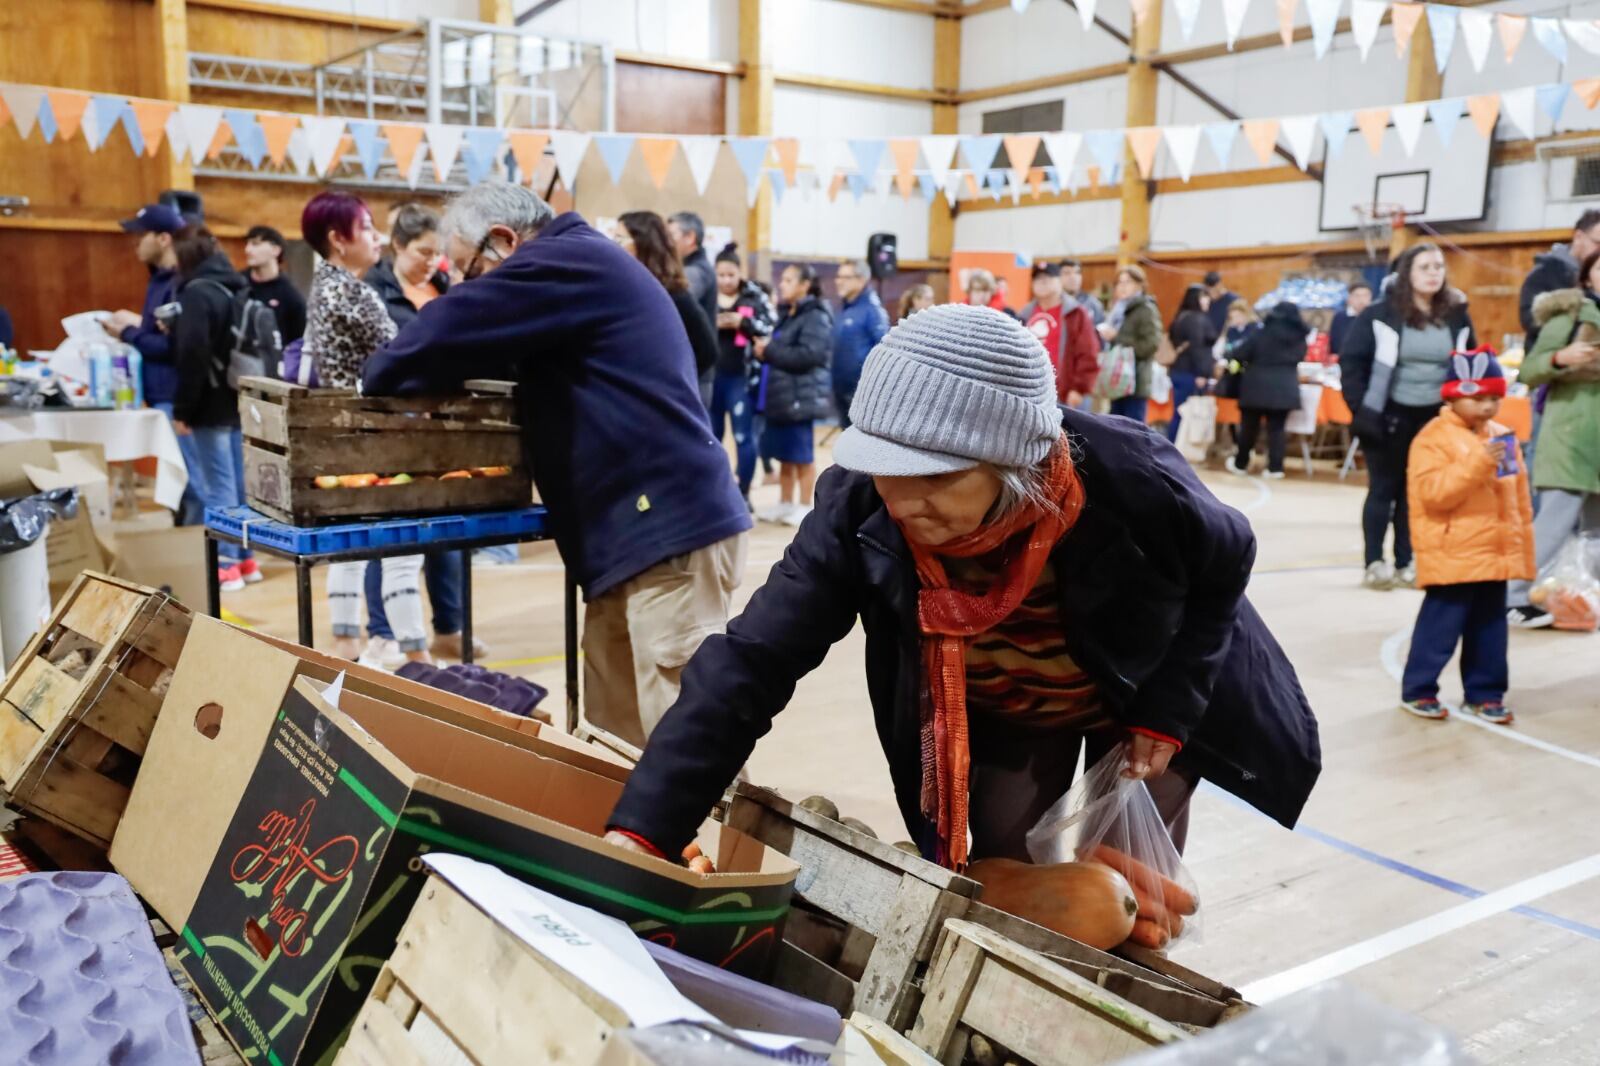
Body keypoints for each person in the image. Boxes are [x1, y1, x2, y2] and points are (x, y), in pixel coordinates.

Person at [600, 303, 1321, 869]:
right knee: (1007, 870)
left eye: (938, 477)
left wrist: (1170, 710)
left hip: (1140, 681)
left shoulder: (1134, 479)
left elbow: (1228, 557)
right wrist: (647, 829)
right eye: (888, 468)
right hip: (1012, 699)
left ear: (1018, 463)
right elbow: (753, 662)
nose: (904, 501)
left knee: (1130, 885)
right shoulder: (860, 504)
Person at [363, 182, 751, 750]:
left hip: (668, 532)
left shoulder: (560, 260)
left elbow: (447, 331)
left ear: (502, 241)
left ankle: (707, 843)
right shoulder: (573, 265)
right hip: (633, 539)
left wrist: (378, 372)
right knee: (615, 737)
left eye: (472, 272)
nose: (469, 287)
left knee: (683, 737)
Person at [299, 191, 428, 667]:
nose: (376, 237)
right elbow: (403, 352)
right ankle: (419, 661)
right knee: (401, 551)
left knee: (352, 548)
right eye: (367, 227)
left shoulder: (325, 286)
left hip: (343, 436)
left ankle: (349, 648)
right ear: (338, 238)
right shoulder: (349, 290)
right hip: (375, 436)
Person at [362, 203, 478, 664]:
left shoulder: (444, 287)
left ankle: (449, 627)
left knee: (445, 534)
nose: (431, 262)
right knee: (391, 534)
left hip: (443, 427)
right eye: (422, 252)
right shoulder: (373, 291)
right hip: (392, 425)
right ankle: (382, 631)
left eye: (437, 253)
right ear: (397, 247)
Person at [1400, 350, 1532, 724]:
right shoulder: (1432, 438)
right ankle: (1419, 689)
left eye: (1495, 398)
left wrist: (1520, 545)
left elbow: (1516, 495)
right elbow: (1433, 494)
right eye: (1480, 398)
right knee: (1439, 628)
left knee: (1491, 630)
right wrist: (1478, 462)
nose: (1489, 406)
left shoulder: (1503, 437)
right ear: (1453, 396)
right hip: (1452, 550)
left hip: (1495, 552)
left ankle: (1485, 693)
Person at [1341, 243, 1476, 591]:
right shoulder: (1378, 314)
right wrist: (1360, 409)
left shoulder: (1456, 314)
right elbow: (1352, 364)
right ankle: (1374, 562)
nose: (1434, 273)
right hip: (1387, 417)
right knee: (1383, 489)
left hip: (1435, 418)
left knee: (1415, 492)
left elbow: (1469, 361)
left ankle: (1406, 561)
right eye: (1425, 267)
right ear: (1407, 275)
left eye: (1438, 267)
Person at [1505, 260, 1600, 628]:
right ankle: (1512, 596)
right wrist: (1561, 357)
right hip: (1569, 437)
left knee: (1596, 535)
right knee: (1553, 524)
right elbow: (1529, 370)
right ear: (1587, 273)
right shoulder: (1572, 315)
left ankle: (1584, 598)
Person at [168, 224, 258, 591]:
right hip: (239, 398)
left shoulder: (197, 294)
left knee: (216, 487)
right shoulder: (236, 288)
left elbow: (193, 353)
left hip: (209, 403)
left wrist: (183, 408)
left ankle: (226, 565)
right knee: (237, 485)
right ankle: (247, 560)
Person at [104, 204, 205, 528]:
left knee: (192, 484)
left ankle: (206, 561)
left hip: (177, 397)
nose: (135, 243)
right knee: (181, 485)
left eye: (140, 235)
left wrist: (128, 332)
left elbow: (175, 348)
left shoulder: (181, 283)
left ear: (163, 239)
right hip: (160, 393)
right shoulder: (158, 279)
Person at [755, 263, 833, 527]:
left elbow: (810, 355)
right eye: (783, 280)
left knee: (802, 455)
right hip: (782, 395)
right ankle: (785, 502)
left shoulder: (815, 315)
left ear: (804, 285)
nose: (782, 284)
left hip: (801, 395)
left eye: (789, 280)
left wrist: (770, 351)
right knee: (785, 454)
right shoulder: (788, 313)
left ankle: (803, 505)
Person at [616, 211, 719, 385]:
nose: (614, 245)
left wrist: (670, 382)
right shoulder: (628, 285)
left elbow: (707, 350)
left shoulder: (672, 292)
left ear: (643, 244)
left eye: (621, 239)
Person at [711, 243, 775, 505]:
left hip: (742, 378)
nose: (726, 280)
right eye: (721, 275)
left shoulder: (754, 296)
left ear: (740, 273)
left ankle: (744, 493)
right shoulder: (704, 294)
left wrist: (743, 322)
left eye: (731, 275)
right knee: (710, 439)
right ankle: (713, 494)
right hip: (710, 378)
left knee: (742, 437)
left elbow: (770, 327)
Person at [1228, 302, 1308, 479]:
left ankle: (1240, 464)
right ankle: (1275, 468)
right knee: (1277, 430)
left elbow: (1240, 353)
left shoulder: (1261, 333)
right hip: (1284, 388)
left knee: (1249, 428)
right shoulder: (1299, 338)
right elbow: (1300, 357)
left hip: (1255, 387)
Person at [1020, 261, 1100, 412]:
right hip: (1031, 394)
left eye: (1048, 278)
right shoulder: (1025, 314)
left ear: (1059, 282)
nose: (1042, 282)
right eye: (1038, 279)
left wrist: (1079, 388)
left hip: (1065, 395)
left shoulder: (1075, 313)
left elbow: (1089, 352)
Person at [1518, 209, 1600, 340]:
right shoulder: (1544, 272)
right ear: (1578, 237)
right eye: (1597, 243)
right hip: (1548, 357)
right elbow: (1530, 319)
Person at [1099, 265, 1163, 423]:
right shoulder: (1119, 309)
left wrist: (1118, 337)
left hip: (1136, 380)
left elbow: (1151, 344)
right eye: (1120, 282)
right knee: (1114, 427)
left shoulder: (1146, 309)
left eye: (1128, 282)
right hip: (1117, 380)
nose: (1123, 286)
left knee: (1133, 430)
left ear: (1140, 285)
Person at [831, 259, 889, 430]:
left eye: (846, 277)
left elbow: (883, 349)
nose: (839, 281)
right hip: (842, 390)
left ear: (861, 280)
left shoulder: (872, 310)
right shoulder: (846, 308)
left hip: (860, 392)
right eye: (838, 276)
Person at [1166, 284, 1221, 443]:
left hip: (1178, 370)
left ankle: (1171, 447)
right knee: (1189, 414)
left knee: (1178, 412)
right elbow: (1198, 349)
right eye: (1203, 297)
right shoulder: (1197, 319)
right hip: (1192, 372)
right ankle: (1179, 449)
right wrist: (1203, 373)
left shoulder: (1180, 316)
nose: (1207, 300)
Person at [242, 225, 306, 344]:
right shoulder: (238, 284)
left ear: (275, 250)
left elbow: (297, 341)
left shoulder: (290, 296)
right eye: (247, 244)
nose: (247, 250)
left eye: (255, 244)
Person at [1329, 282, 1371, 357]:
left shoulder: (1374, 316)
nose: (1361, 300)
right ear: (1349, 298)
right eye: (1357, 296)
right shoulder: (1340, 317)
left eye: (1365, 296)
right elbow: (1335, 344)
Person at [1060, 258, 1106, 326]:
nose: (1073, 277)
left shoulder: (1093, 303)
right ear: (1058, 277)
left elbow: (1102, 329)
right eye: (1067, 273)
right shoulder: (1051, 303)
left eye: (1077, 273)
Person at [1203, 271, 1239, 335]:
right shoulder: (1206, 302)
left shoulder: (1234, 300)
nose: (1212, 294)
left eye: (1214, 291)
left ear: (1219, 285)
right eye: (1209, 291)